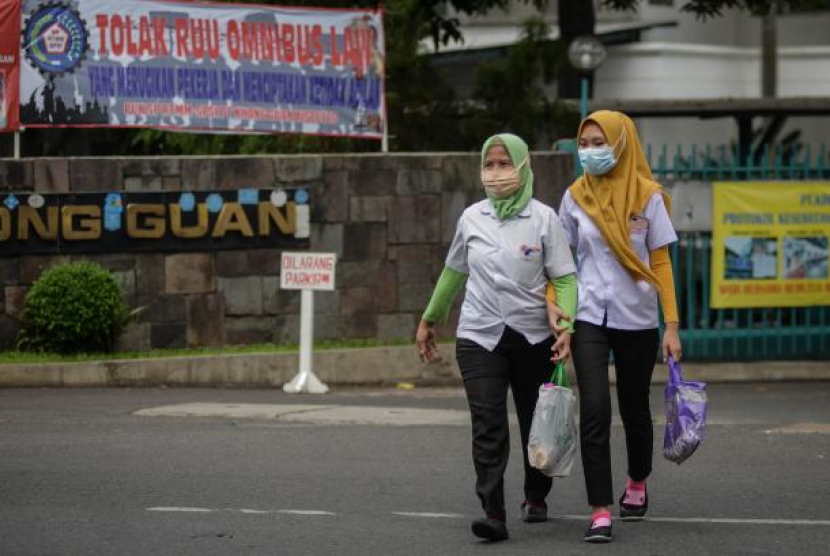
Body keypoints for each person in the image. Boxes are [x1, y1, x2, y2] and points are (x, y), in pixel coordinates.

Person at [415, 133, 578, 542]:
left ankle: (536, 495)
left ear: (522, 168)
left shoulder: (544, 219)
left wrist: (567, 326)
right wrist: (430, 318)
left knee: (532, 421)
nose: (496, 173)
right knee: (488, 424)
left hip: (534, 336)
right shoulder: (472, 218)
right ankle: (493, 512)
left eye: (504, 164)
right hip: (478, 335)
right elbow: (455, 272)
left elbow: (565, 278)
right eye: (489, 165)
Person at [552, 110, 682, 543]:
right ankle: (600, 509)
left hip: (638, 319)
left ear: (621, 143)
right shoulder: (574, 196)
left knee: (634, 408)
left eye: (598, 142)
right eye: (583, 144)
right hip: (589, 317)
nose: (589, 151)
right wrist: (558, 311)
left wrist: (672, 325)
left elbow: (660, 262)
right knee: (594, 409)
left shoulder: (649, 197)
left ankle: (638, 481)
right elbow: (562, 260)